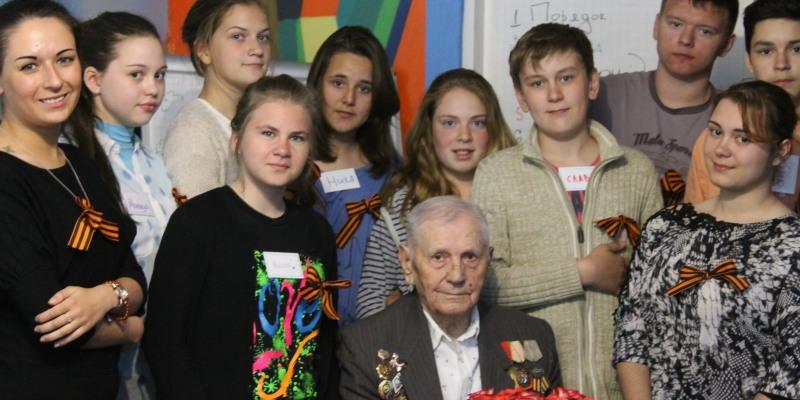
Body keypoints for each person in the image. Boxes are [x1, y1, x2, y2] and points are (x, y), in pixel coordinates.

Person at [471, 23, 663, 399]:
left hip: (621, 388)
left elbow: (657, 287)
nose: (554, 94)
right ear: (521, 97)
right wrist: (582, 272)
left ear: (592, 83)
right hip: (530, 387)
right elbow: (486, 283)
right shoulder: (496, 174)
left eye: (566, 77)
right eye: (537, 83)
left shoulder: (636, 170)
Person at [144, 75, 342, 399]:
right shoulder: (198, 222)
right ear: (236, 138)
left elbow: (326, 343)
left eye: (297, 137)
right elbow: (164, 340)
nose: (282, 149)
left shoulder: (317, 232)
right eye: (268, 133)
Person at [614, 80, 800, 400]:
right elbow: (631, 330)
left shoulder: (792, 246)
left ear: (780, 151)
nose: (721, 149)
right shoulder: (664, 227)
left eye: (743, 138)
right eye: (715, 132)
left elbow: (789, 371)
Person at [0, 1, 146, 398]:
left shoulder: (81, 162)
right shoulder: (6, 179)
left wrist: (103, 297)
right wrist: (134, 327)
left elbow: (136, 277)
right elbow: (53, 324)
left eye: (64, 60)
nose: (54, 80)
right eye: (29, 66)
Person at [339, 196, 561, 400]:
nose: (457, 276)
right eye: (438, 257)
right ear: (407, 263)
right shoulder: (365, 346)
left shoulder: (531, 336)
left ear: (488, 259)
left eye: (470, 257)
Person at [69, 11, 175, 399]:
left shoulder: (154, 161)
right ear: (94, 80)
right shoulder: (76, 163)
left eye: (160, 75)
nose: (153, 88)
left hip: (158, 360)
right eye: (136, 75)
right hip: (104, 365)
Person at [355, 68, 516, 319]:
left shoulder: (518, 195)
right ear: (429, 128)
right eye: (449, 123)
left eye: (477, 123)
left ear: (493, 128)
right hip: (419, 343)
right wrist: (411, 309)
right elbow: (369, 301)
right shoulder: (402, 207)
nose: (464, 136)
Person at [590, 0, 738, 198]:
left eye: (705, 31)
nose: (685, 40)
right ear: (656, 26)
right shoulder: (600, 94)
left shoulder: (736, 118)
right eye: (676, 24)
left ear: (727, 44)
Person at [307, 26, 401, 325]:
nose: (349, 98)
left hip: (375, 333)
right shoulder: (289, 166)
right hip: (304, 330)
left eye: (364, 89)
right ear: (317, 84)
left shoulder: (393, 175)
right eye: (338, 83)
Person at [686, 0, 800, 212]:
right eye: (766, 51)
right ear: (748, 60)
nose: (781, 64)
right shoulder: (716, 140)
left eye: (796, 49)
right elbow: (697, 220)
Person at [163, 0, 271, 198]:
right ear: (204, 50)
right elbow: (197, 215)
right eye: (238, 36)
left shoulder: (261, 121)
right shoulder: (194, 132)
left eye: (263, 37)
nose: (257, 49)